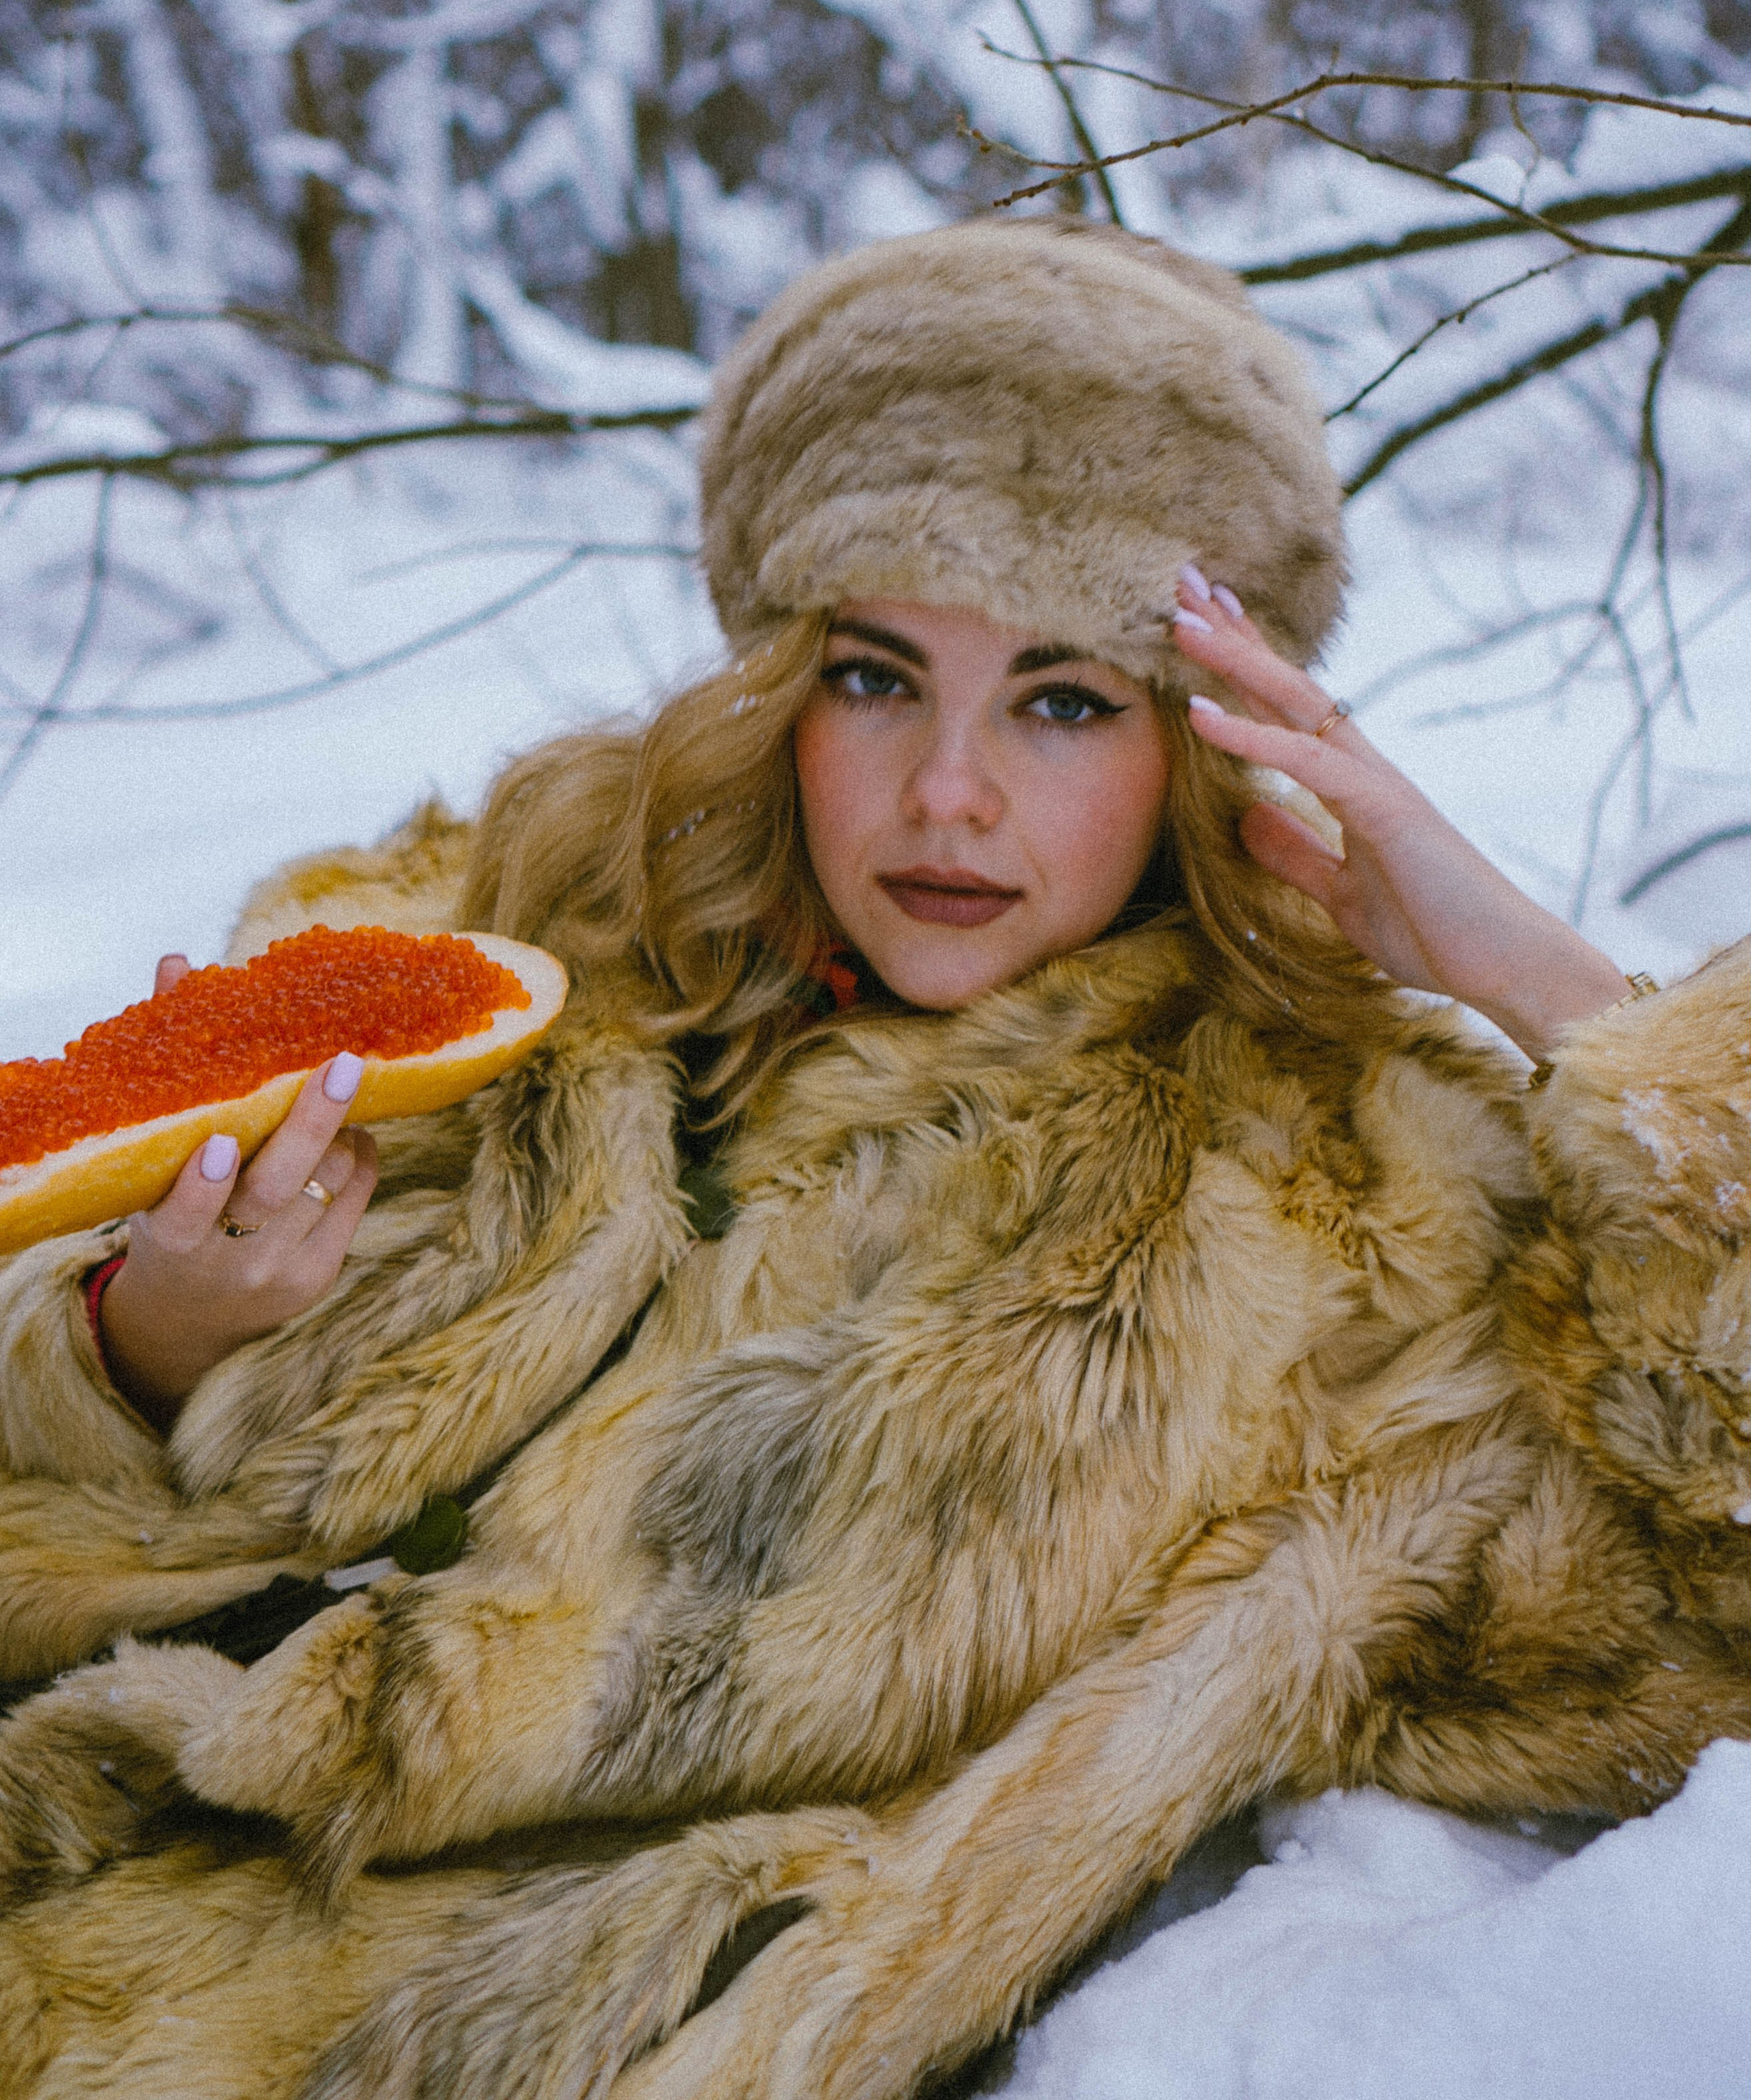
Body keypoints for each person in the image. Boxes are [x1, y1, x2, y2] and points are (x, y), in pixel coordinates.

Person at [1, 219, 1748, 2100]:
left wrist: (1550, 988)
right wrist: (130, 1350)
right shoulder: (477, 947)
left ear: (1198, 737)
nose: (948, 794)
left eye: (1066, 699)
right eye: (878, 676)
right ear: (778, 682)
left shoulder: (1345, 1197)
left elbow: (1687, 1626)